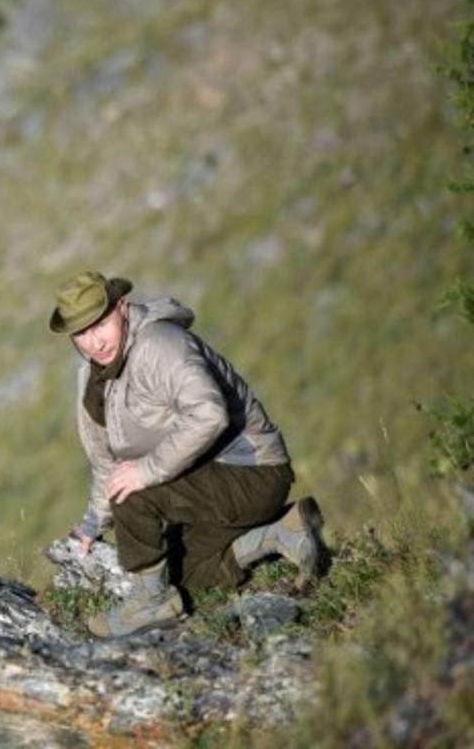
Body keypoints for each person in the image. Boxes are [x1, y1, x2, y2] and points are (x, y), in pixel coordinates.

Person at [49, 271, 325, 638]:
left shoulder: (160, 345)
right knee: (179, 575)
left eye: (100, 324)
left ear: (122, 307)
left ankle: (151, 605)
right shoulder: (91, 381)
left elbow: (209, 415)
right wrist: (91, 524)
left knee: (135, 491)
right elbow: (107, 464)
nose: (94, 342)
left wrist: (147, 472)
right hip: (204, 484)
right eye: (81, 333)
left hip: (252, 473)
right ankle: (282, 533)